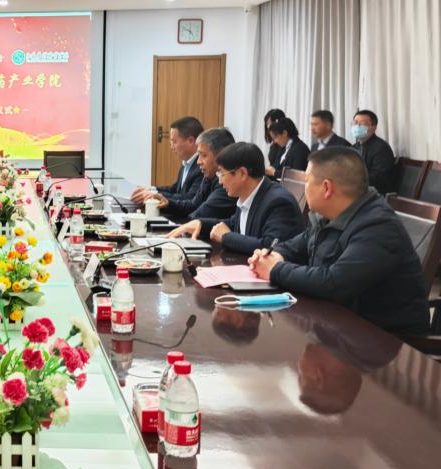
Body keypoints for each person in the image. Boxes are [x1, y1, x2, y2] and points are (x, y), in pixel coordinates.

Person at [249, 147, 428, 334]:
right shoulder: (329, 215)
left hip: (384, 339)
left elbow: (334, 283)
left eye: (307, 181)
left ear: (326, 188)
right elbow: (297, 245)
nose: (304, 187)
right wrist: (274, 255)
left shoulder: (378, 226)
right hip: (337, 326)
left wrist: (275, 269)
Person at [171, 142, 304, 254]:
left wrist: (226, 237)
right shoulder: (248, 194)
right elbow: (234, 224)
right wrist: (201, 224)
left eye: (222, 173)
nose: (220, 181)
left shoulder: (278, 202)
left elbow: (269, 247)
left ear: (242, 173)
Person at [140, 127, 238, 221]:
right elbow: (193, 205)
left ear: (221, 156)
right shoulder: (209, 176)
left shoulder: (227, 183)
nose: (198, 162)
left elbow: (199, 215)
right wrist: (167, 203)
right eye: (198, 156)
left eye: (203, 155)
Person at [130, 116, 204, 204]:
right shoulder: (186, 163)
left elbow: (188, 198)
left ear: (190, 141)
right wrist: (151, 190)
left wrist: (155, 195)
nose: (171, 146)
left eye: (174, 142)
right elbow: (175, 189)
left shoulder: (202, 167)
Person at [350, 109, 395, 193]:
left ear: (374, 128)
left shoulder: (381, 148)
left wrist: (353, 182)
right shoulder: (353, 148)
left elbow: (378, 177)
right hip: (357, 190)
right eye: (355, 123)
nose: (357, 126)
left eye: (361, 124)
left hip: (375, 193)